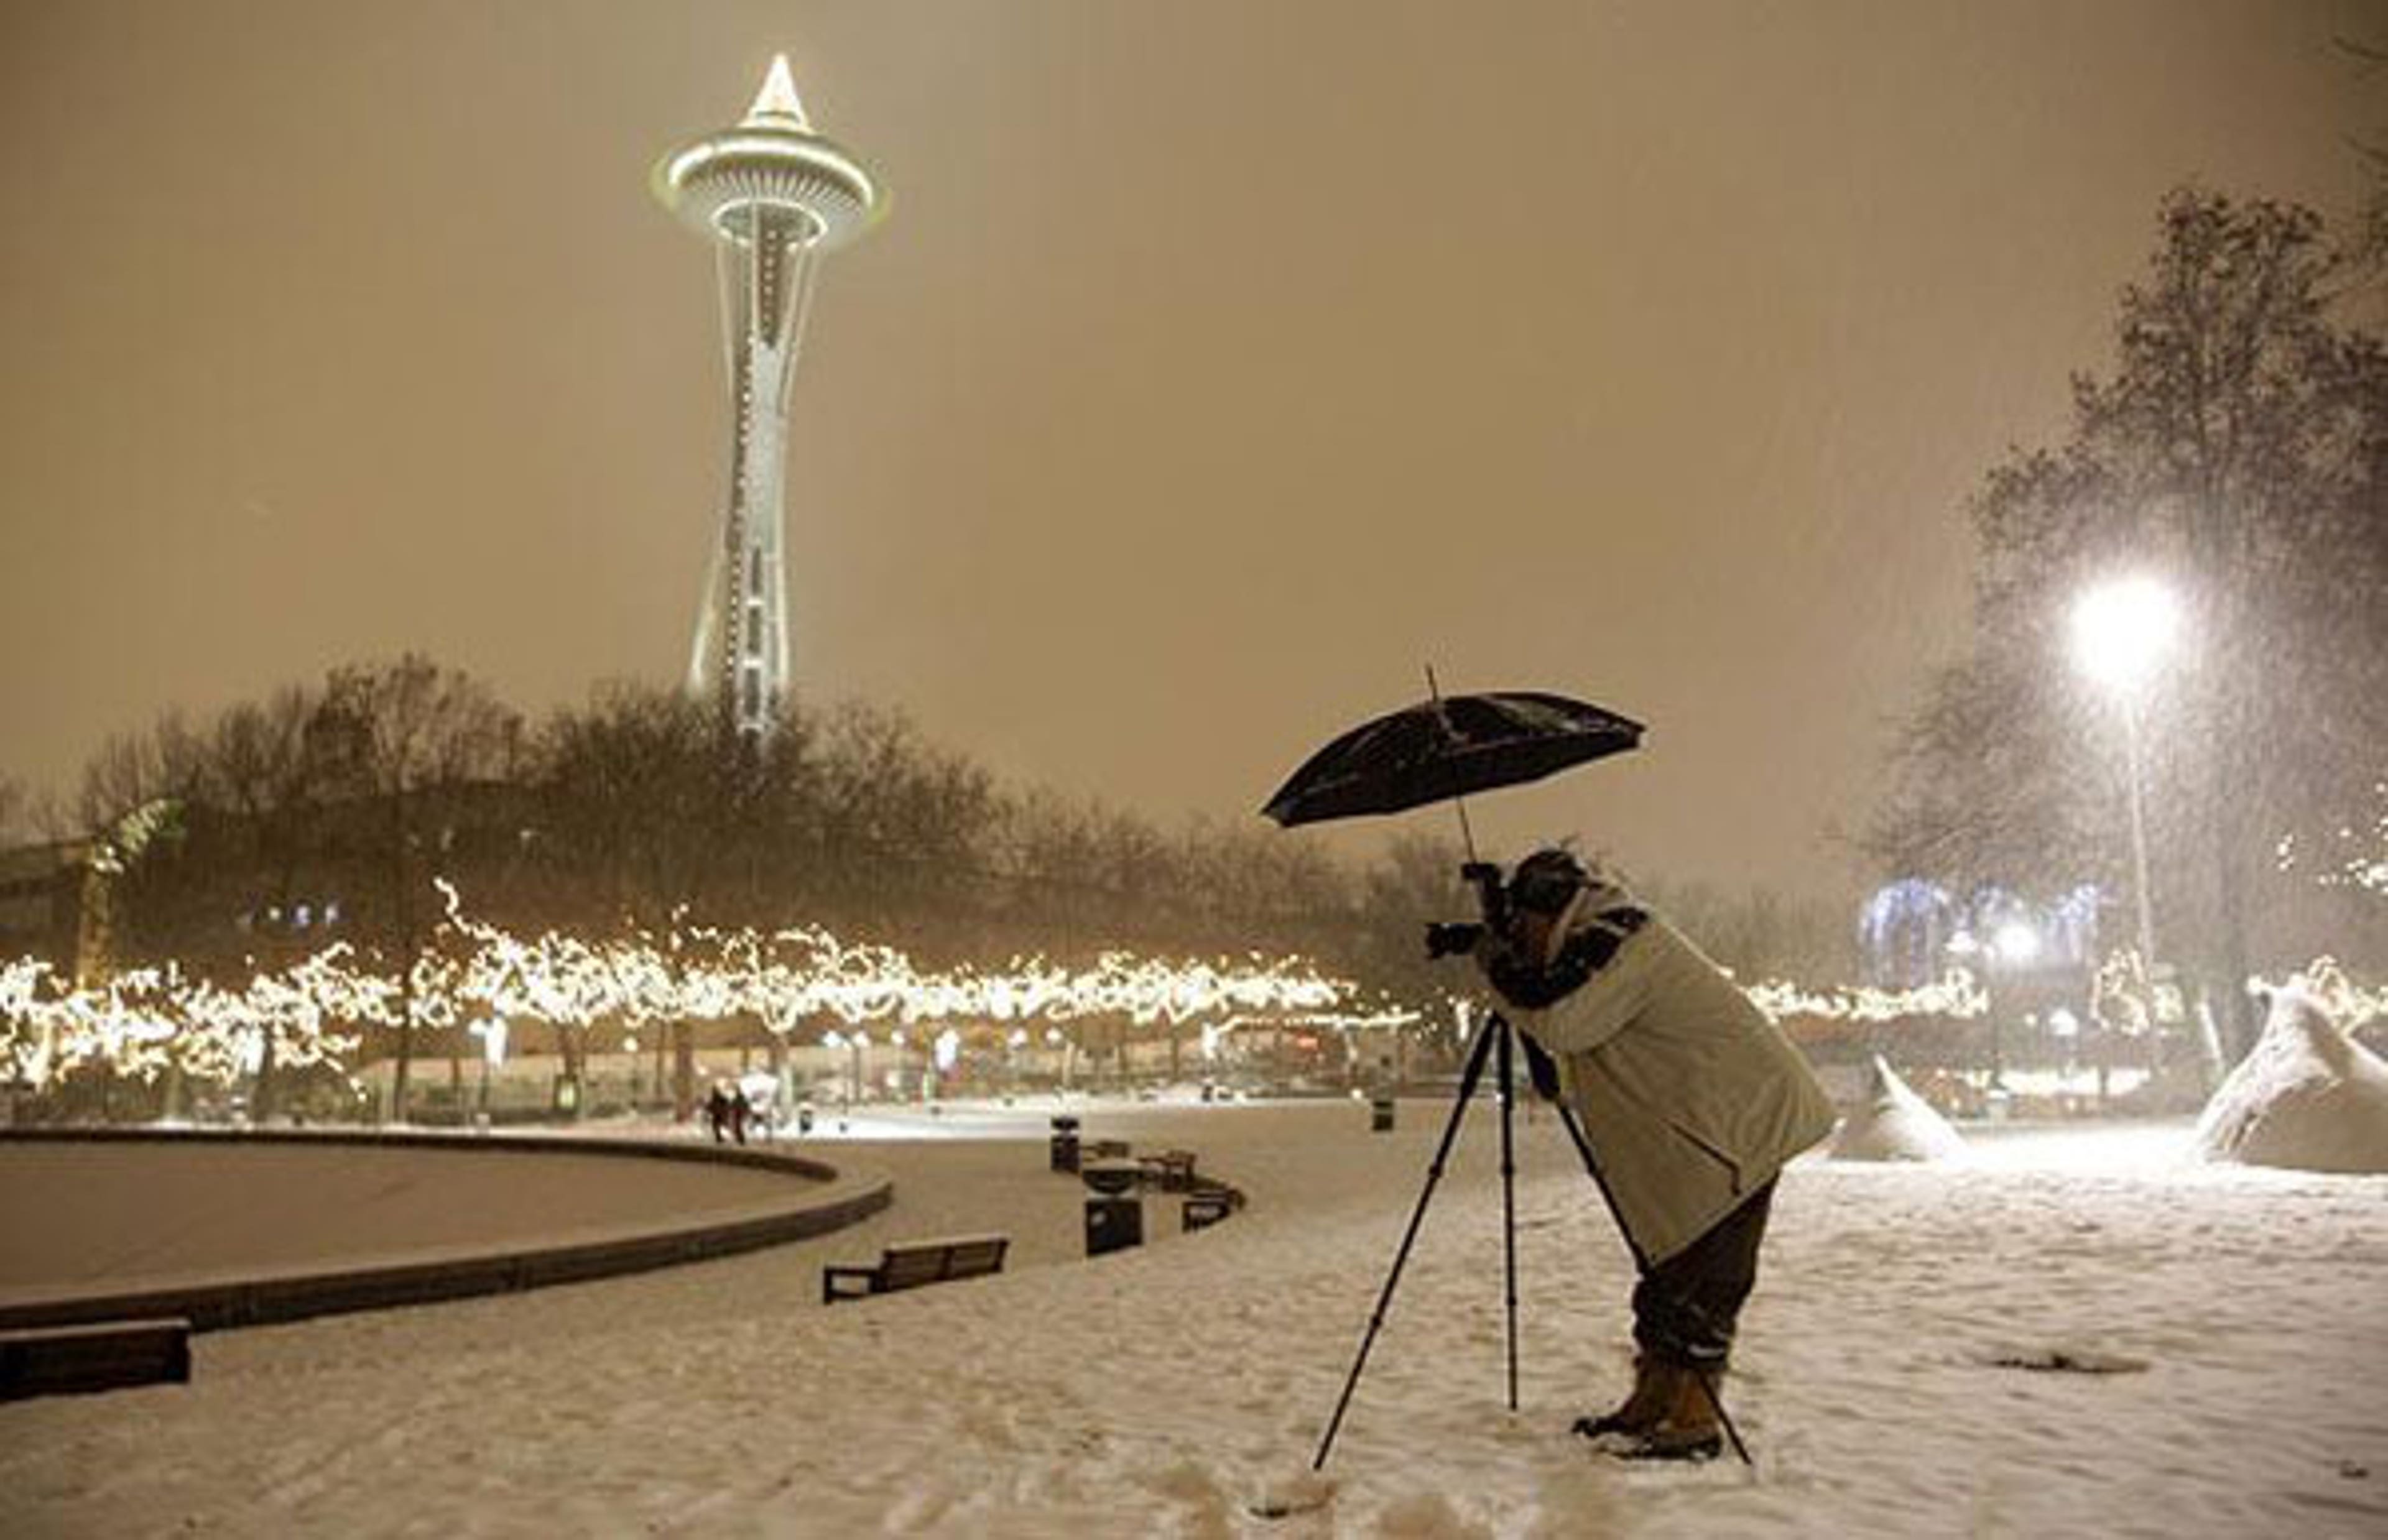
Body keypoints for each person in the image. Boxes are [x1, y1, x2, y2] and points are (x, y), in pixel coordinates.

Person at [1472, 847, 1836, 1461]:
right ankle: (1654, 1396)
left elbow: (1562, 1022)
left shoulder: (1626, 939)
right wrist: (1504, 965)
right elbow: (1554, 1037)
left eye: (1525, 924)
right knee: (1669, 1267)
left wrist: (1496, 967)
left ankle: (1695, 1414)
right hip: (1706, 1125)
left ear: (1550, 910)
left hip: (1739, 1124)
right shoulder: (1596, 941)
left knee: (1709, 1272)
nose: (1524, 937)